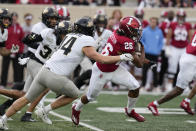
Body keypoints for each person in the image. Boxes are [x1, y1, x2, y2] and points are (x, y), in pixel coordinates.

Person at [0, 16, 134, 130]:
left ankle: (3, 119)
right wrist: (120, 57)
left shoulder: (70, 35)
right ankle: (44, 111)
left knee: (26, 98)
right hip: (55, 76)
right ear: (87, 30)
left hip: (44, 70)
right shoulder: (87, 40)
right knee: (75, 94)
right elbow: (99, 58)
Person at [71, 16, 147, 126]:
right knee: (90, 97)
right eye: (135, 31)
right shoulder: (125, 42)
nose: (137, 33)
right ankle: (76, 108)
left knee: (135, 86)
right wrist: (142, 48)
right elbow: (139, 64)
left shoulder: (118, 31)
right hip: (101, 71)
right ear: (127, 30)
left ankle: (130, 111)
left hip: (114, 68)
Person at [148, 31, 196, 116]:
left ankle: (186, 102)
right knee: (179, 90)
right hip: (191, 60)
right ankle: (154, 104)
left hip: (189, 57)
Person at [165, 9, 192, 92]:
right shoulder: (173, 24)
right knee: (172, 66)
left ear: (184, 17)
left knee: (184, 67)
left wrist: (190, 49)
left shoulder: (188, 25)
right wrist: (167, 47)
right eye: (179, 16)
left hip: (184, 48)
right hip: (174, 48)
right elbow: (168, 36)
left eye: (182, 16)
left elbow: (190, 38)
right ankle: (169, 84)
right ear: (177, 17)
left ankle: (184, 85)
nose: (181, 18)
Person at [1, 12, 25, 88]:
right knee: (5, 68)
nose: (14, 19)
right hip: (7, 50)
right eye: (12, 17)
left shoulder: (19, 28)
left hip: (16, 51)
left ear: (17, 18)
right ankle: (3, 84)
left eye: (15, 17)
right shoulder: (6, 27)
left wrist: (20, 50)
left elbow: (22, 40)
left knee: (17, 69)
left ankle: (16, 84)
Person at [141, 17, 163, 91]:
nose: (153, 23)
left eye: (154, 22)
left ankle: (155, 87)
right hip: (146, 54)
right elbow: (141, 41)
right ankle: (143, 86)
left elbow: (161, 42)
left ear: (156, 23)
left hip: (155, 54)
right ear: (149, 22)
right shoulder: (145, 31)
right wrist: (145, 48)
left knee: (155, 70)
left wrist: (158, 50)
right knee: (144, 70)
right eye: (152, 22)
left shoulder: (159, 31)